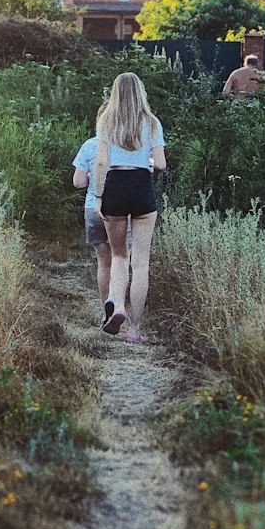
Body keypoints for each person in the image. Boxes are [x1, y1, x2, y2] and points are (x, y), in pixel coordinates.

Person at [93, 72, 166, 343]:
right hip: (141, 185)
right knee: (141, 262)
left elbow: (100, 162)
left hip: (115, 185)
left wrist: (99, 197)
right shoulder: (152, 122)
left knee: (119, 256)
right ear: (140, 92)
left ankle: (118, 307)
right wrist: (145, 162)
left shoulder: (106, 120)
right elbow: (160, 164)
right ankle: (135, 330)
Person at [72, 135, 114, 313]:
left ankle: (107, 311)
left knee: (104, 262)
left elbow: (78, 182)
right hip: (118, 208)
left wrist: (91, 177)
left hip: (92, 208)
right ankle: (119, 304)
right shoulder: (125, 143)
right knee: (121, 260)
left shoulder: (89, 145)